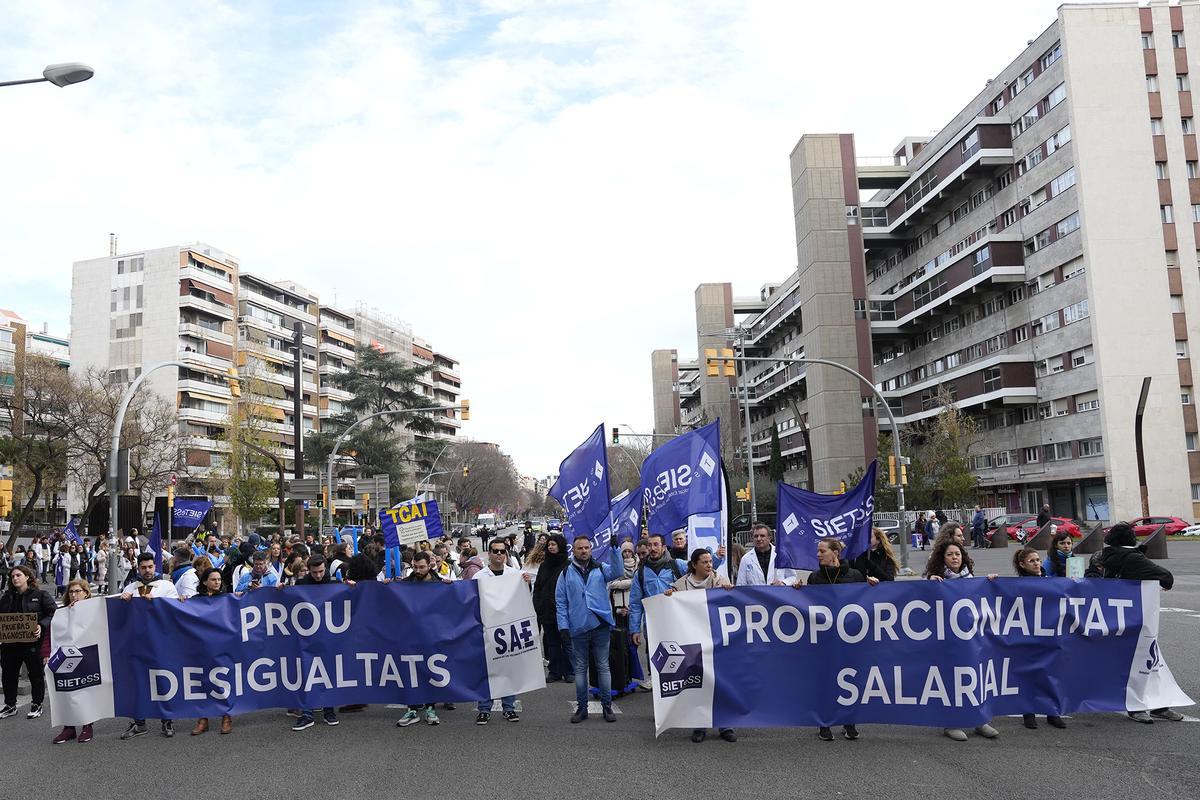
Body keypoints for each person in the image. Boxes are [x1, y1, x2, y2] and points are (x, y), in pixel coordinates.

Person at [1088, 522, 1183, 723]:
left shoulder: (1103, 556)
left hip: (1112, 617)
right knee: (1143, 663)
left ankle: (1157, 704)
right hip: (1136, 619)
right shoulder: (1131, 558)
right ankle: (1138, 706)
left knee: (1147, 662)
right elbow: (1166, 577)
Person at [794, 538, 869, 740]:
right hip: (824, 639)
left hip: (849, 639)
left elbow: (867, 602)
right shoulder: (814, 578)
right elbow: (806, 606)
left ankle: (849, 722)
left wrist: (874, 587)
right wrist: (795, 592)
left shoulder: (855, 576)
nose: (818, 555)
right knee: (825, 681)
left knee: (850, 680)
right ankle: (824, 723)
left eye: (822, 551)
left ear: (835, 552)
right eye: (817, 551)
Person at [925, 540, 998, 741]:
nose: (955, 557)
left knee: (975, 676)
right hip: (947, 641)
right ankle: (952, 722)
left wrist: (991, 583)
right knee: (951, 680)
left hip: (972, 639)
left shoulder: (972, 578)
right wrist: (931, 584)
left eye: (957, 554)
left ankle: (979, 720)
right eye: (950, 555)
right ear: (943, 558)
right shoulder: (936, 580)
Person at [663, 549, 736, 743]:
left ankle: (725, 724)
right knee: (699, 683)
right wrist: (669, 596)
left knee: (721, 682)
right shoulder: (681, 585)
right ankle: (699, 725)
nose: (709, 565)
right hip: (693, 640)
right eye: (704, 562)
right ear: (694, 565)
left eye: (710, 561)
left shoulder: (720, 581)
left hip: (717, 639)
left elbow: (732, 602)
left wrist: (730, 591)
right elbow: (669, 607)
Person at [555, 535, 619, 723]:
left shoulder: (601, 568)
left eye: (587, 547)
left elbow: (618, 571)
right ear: (573, 551)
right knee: (581, 669)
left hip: (600, 625)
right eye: (580, 548)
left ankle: (607, 707)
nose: (584, 551)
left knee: (603, 667)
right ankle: (582, 709)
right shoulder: (566, 573)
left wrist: (615, 551)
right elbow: (560, 602)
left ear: (591, 549)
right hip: (577, 627)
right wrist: (563, 626)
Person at [472, 538, 533, 724]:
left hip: (508, 629)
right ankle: (484, 709)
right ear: (489, 553)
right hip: (487, 629)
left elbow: (524, 600)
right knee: (486, 671)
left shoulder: (516, 575)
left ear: (506, 553)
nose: (499, 554)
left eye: (502, 551)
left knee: (508, 669)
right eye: (495, 551)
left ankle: (509, 708)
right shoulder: (479, 577)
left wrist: (527, 584)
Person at [119, 552, 179, 738]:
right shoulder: (130, 587)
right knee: (137, 682)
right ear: (138, 568)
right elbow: (121, 618)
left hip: (161, 642)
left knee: (163, 681)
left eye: (150, 567)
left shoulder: (167, 586)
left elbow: (176, 611)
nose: (147, 570)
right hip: (137, 643)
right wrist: (124, 603)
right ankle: (139, 723)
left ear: (155, 567)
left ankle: (167, 721)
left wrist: (157, 603)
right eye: (143, 567)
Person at [394, 552, 450, 729]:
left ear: (429, 566)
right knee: (411, 672)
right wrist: (389, 586)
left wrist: (451, 587)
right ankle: (412, 708)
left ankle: (430, 707)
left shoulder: (439, 584)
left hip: (432, 636)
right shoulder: (405, 584)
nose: (418, 570)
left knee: (430, 671)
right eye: (415, 567)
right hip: (409, 637)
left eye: (422, 567)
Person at [0, 565, 56, 722]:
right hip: (9, 645)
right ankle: (10, 705)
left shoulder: (40, 595)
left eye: (18, 575)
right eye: (12, 576)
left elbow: (53, 613)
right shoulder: (6, 597)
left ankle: (36, 704)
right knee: (8, 676)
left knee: (36, 675)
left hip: (32, 643)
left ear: (27, 577)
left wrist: (41, 625)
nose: (15, 578)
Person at [291, 556, 340, 731]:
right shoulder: (301, 583)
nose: (318, 575)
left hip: (328, 636)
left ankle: (329, 710)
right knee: (306, 673)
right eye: (314, 572)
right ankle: (307, 713)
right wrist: (280, 591)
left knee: (328, 672)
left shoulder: (335, 582)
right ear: (308, 570)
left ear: (325, 568)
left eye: (321, 571)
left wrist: (351, 588)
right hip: (306, 636)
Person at [188, 569, 233, 735]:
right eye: (213, 579)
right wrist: (181, 601)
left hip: (222, 646)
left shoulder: (227, 599)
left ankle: (226, 716)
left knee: (223, 681)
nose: (217, 582)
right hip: (201, 647)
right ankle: (203, 719)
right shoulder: (195, 600)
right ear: (204, 582)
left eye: (219, 579)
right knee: (202, 682)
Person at [51, 580, 96, 743]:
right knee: (65, 691)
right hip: (66, 657)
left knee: (85, 690)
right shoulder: (61, 613)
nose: (74, 595)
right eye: (71, 592)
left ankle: (87, 725)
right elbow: (55, 634)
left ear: (86, 593)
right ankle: (68, 728)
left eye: (78, 591)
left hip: (88, 657)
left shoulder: (94, 610)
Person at [629, 534, 688, 649]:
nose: (652, 548)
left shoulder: (677, 565)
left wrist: (723, 583)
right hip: (653, 627)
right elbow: (635, 604)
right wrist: (635, 629)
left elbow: (701, 570)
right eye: (649, 545)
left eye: (656, 545)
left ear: (664, 547)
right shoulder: (640, 573)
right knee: (656, 662)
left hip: (677, 623)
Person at [533, 534, 572, 683]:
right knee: (552, 643)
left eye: (553, 544)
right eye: (549, 544)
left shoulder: (568, 565)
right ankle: (554, 671)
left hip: (563, 612)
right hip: (547, 611)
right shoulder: (544, 565)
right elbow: (538, 587)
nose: (550, 547)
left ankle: (569, 670)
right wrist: (538, 604)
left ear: (560, 546)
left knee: (567, 642)